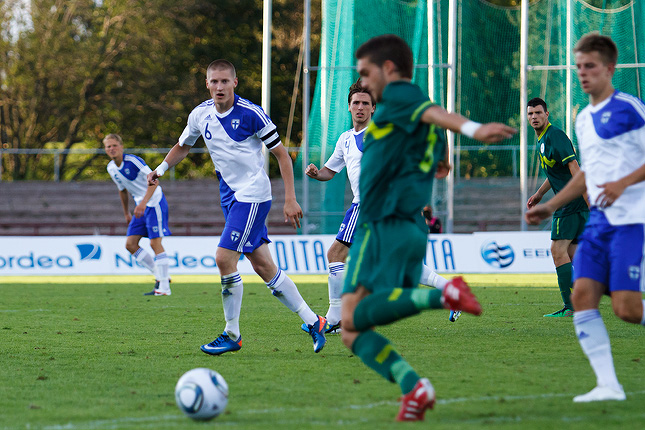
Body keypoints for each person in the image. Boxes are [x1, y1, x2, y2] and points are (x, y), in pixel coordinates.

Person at [341, 34, 517, 421]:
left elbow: (437, 113)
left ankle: (444, 296)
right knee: (353, 327)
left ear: (388, 70)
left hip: (380, 224)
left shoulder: (402, 95)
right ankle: (414, 387)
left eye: (366, 74)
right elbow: (440, 154)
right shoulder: (409, 119)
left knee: (352, 322)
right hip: (409, 227)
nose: (364, 84)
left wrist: (474, 129)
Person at [147, 59, 327, 355]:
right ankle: (314, 321)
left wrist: (290, 198)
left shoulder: (252, 114)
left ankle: (232, 333)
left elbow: (282, 156)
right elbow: (183, 145)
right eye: (214, 81)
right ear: (207, 84)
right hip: (230, 196)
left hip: (253, 195)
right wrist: (161, 169)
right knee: (263, 266)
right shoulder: (200, 115)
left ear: (235, 83)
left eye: (224, 81)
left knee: (223, 258)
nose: (219, 87)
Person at [526, 33, 645, 402]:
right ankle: (608, 385)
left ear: (609, 68)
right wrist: (548, 204)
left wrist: (621, 183)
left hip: (631, 220)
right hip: (599, 223)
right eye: (578, 66)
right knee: (582, 296)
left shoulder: (629, 108)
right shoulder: (583, 120)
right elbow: (583, 175)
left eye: (590, 66)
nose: (582, 73)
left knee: (626, 309)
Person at [304, 81, 455, 334]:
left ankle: (335, 316)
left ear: (374, 108)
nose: (360, 107)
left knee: (335, 255)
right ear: (349, 107)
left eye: (365, 103)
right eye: (356, 103)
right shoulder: (345, 140)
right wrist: (315, 172)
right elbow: (330, 172)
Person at [526, 97, 589, 317]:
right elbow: (555, 173)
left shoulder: (555, 136)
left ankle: (571, 307)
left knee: (557, 251)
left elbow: (574, 168)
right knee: (573, 253)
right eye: (530, 114)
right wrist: (539, 194)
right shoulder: (543, 139)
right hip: (573, 202)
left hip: (569, 202)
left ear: (547, 114)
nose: (534, 117)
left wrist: (588, 201)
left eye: (538, 113)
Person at [104, 133, 172, 296]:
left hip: (154, 202)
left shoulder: (133, 161)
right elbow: (122, 190)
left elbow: (155, 181)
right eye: (108, 146)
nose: (111, 149)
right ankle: (161, 276)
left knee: (155, 244)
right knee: (130, 244)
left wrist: (142, 203)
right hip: (140, 207)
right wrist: (126, 212)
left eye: (114, 145)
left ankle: (164, 288)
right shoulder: (111, 168)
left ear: (121, 147)